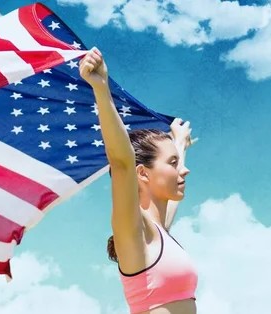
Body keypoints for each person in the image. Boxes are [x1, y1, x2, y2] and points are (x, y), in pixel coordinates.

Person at [80, 47, 199, 314]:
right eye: (172, 164)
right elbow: (123, 163)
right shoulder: (134, 230)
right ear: (142, 173)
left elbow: (165, 192)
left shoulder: (159, 231)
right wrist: (101, 88)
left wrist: (179, 145)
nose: (184, 171)